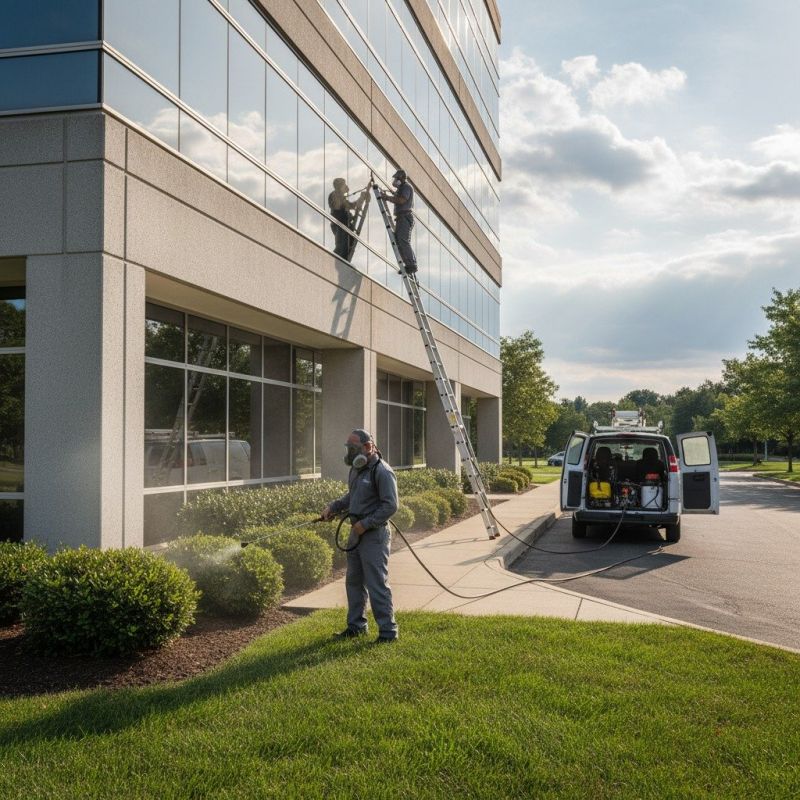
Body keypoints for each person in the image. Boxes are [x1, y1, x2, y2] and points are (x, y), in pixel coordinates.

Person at [321, 428, 399, 643]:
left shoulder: (382, 471)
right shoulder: (357, 469)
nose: (350, 452)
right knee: (354, 581)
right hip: (356, 534)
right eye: (348, 448)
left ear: (368, 447)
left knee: (376, 584)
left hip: (374, 536)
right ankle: (356, 626)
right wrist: (334, 506)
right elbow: (352, 495)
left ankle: (388, 632)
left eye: (353, 448)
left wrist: (365, 524)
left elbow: (391, 505)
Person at [380, 169, 417, 275]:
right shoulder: (402, 188)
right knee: (399, 241)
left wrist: (387, 198)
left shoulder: (406, 187)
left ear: (401, 178)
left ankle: (411, 264)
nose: (395, 180)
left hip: (405, 217)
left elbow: (401, 200)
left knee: (403, 240)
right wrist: (389, 194)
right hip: (401, 218)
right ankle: (408, 264)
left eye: (397, 178)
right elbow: (397, 196)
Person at [328, 178, 366, 262]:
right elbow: (346, 206)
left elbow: (348, 206)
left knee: (349, 243)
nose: (346, 187)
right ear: (339, 186)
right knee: (342, 247)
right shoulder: (335, 195)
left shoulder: (340, 196)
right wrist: (360, 199)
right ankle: (335, 262)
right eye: (344, 185)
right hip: (340, 225)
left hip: (344, 224)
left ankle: (341, 261)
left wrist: (360, 199)